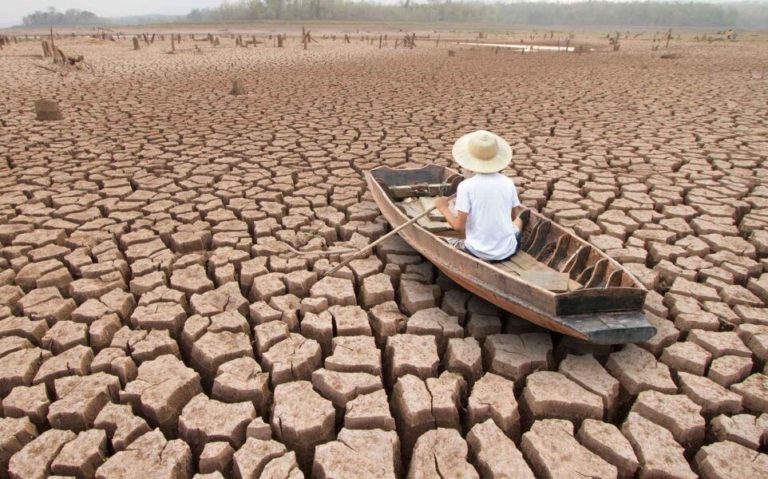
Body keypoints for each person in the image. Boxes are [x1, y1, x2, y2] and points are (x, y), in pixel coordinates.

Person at [434, 130, 523, 262]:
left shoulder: (466, 186)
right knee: (519, 222)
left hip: (477, 252)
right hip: (508, 250)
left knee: (447, 240)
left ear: (470, 163)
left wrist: (443, 208)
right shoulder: (508, 182)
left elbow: (459, 228)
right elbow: (514, 217)